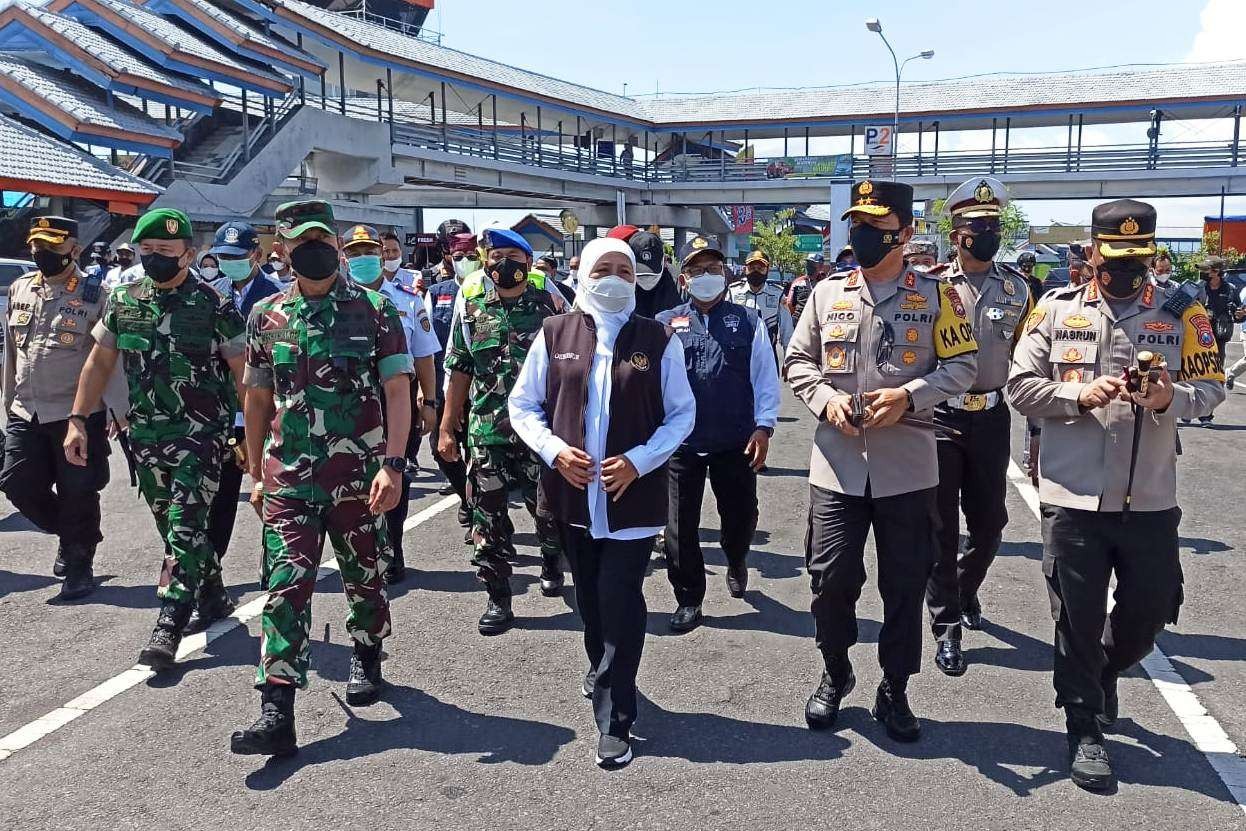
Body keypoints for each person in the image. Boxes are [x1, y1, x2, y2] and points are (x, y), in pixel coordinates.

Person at [1007, 198, 1224, 791]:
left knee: (1149, 612)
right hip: (1073, 497)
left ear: (1150, 253)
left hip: (1150, 497)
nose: (1126, 269)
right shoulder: (1053, 311)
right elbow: (1019, 386)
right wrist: (1078, 395)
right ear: (1094, 252)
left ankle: (1106, 666)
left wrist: (1168, 400)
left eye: (1138, 257)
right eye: (1116, 256)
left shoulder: (1184, 312)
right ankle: (1084, 728)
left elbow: (1211, 385)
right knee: (1074, 619)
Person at [784, 179, 978, 742]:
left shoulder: (940, 297)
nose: (862, 236)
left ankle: (895, 686)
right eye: (857, 226)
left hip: (908, 470)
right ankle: (835, 671)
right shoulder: (826, 294)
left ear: (905, 233)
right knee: (830, 580)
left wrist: (910, 396)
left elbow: (962, 366)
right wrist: (827, 398)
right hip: (837, 466)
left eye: (875, 228)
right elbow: (798, 361)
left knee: (903, 584)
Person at [230, 200, 413, 757]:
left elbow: (399, 392)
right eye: (299, 240)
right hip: (289, 476)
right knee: (286, 584)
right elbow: (257, 395)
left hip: (358, 474)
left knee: (364, 574)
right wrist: (257, 468)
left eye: (321, 238)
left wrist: (394, 464)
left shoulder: (376, 309)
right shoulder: (266, 315)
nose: (312, 249)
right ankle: (277, 705)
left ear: (334, 243)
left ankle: (366, 649)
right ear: (281, 247)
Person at [509, 237, 695, 768]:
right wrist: (553, 450)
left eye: (624, 269)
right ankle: (600, 666)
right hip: (571, 495)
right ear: (584, 272)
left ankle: (617, 716)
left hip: (631, 497)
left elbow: (682, 414)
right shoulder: (554, 332)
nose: (614, 276)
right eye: (604, 267)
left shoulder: (659, 338)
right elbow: (523, 404)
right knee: (589, 599)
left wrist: (640, 458)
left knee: (620, 598)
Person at [66, 208, 246, 670]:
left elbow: (244, 372)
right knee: (172, 524)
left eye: (165, 252)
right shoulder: (125, 298)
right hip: (144, 434)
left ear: (188, 254)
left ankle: (170, 618)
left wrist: (252, 432)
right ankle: (212, 593)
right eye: (147, 251)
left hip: (201, 435)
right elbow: (99, 362)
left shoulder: (213, 303)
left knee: (185, 523)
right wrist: (77, 419)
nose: (154, 259)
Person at [923, 177, 1034, 676]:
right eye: (976, 227)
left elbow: (1032, 359)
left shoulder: (1018, 288)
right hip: (940, 417)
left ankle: (965, 589)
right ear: (956, 233)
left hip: (991, 414)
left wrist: (1038, 426)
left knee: (990, 524)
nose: (986, 234)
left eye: (992, 226)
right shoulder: (929, 286)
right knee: (940, 528)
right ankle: (946, 627)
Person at [439, 228, 564, 634]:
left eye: (512, 254)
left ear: (528, 262)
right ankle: (498, 596)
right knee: (486, 518)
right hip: (487, 430)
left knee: (546, 510)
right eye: (495, 255)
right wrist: (446, 426)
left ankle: (550, 557)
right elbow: (459, 367)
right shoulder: (473, 306)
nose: (502, 262)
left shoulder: (551, 305)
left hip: (541, 432)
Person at [656, 236, 780, 631]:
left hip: (735, 440)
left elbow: (765, 377)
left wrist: (764, 427)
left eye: (713, 269)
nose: (706, 276)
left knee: (739, 517)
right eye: (696, 270)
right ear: (684, 278)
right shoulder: (665, 323)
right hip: (682, 443)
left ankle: (737, 556)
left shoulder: (747, 320)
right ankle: (689, 597)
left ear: (726, 274)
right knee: (679, 526)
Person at [1, 216, 126, 600]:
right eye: (37, 246)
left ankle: (78, 563)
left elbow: (110, 357)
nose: (41, 253)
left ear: (74, 249)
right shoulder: (22, 288)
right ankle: (77, 532)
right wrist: (8, 401)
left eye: (51, 248)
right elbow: (11, 351)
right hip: (27, 409)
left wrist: (117, 409)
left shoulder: (95, 295)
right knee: (16, 482)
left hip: (77, 412)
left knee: (78, 490)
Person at [341, 224, 439, 583]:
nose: (362, 259)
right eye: (354, 253)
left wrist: (429, 400)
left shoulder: (407, 299)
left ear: (382, 255)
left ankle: (392, 548)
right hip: (349, 403)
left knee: (396, 471)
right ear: (343, 257)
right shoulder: (334, 300)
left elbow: (425, 355)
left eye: (368, 252)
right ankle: (363, 550)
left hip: (396, 400)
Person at [200, 221, 282, 629]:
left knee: (271, 493)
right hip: (219, 415)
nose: (229, 264)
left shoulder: (277, 297)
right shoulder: (209, 296)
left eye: (237, 257)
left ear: (257, 256)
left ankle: (277, 564)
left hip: (265, 414)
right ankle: (207, 584)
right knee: (220, 500)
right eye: (223, 258)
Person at [424, 233, 476, 522]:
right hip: (447, 386)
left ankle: (482, 513)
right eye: (459, 258)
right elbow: (427, 346)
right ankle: (465, 498)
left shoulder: (487, 289)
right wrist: (426, 390)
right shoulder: (436, 293)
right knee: (440, 448)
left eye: (470, 257)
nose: (464, 263)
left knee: (480, 455)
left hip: (481, 389)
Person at [1192, 256, 1238, 423]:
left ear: (1216, 272)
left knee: (1213, 376)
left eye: (1206, 269)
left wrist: (1239, 314)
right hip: (1195, 337)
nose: (1202, 272)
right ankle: (1187, 409)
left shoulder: (1231, 289)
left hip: (1218, 339)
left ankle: (1206, 414)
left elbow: (1236, 314)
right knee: (1191, 371)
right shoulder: (1197, 287)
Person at [729, 250, 793, 357]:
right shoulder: (733, 292)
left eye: (760, 268)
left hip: (768, 356)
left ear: (767, 270)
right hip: (738, 356)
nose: (756, 272)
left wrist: (789, 362)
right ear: (745, 270)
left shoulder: (777, 294)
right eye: (752, 268)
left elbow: (787, 332)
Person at [630, 231, 682, 318]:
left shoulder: (679, 282)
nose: (646, 279)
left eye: (652, 275)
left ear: (664, 261)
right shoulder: (624, 282)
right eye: (640, 275)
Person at [784, 252, 827, 323]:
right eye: (808, 263)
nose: (809, 266)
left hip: (818, 320)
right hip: (801, 320)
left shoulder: (825, 282)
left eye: (812, 263)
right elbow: (789, 303)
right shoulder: (798, 282)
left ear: (820, 266)